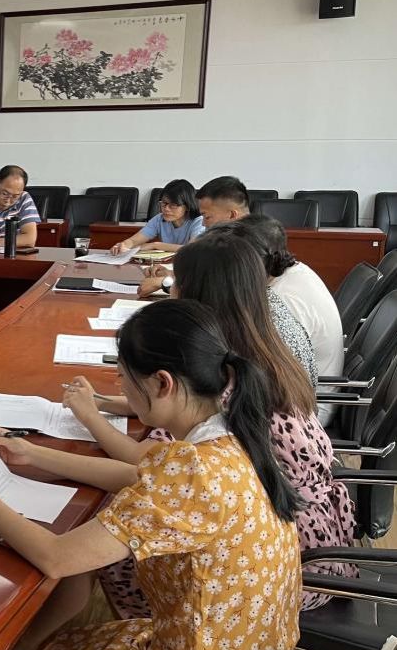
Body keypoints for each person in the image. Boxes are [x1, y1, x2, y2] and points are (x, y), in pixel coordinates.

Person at [0, 300, 302, 650]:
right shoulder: (226, 435)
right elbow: (138, 474)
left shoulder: (194, 471)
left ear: (162, 383)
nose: (119, 389)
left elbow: (58, 557)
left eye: (123, 379)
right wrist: (33, 454)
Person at [54, 232, 352, 615]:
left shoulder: (230, 375)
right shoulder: (258, 337)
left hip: (289, 559)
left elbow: (142, 462)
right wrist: (111, 401)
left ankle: (140, 633)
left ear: (199, 292)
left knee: (115, 527)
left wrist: (91, 418)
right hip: (308, 528)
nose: (171, 289)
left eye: (177, 282)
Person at [225, 215, 345, 381]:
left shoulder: (283, 299)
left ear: (251, 261)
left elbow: (271, 371)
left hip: (314, 392)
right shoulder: (296, 270)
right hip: (300, 383)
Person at [136, 175, 251, 297]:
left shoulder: (249, 244)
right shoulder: (227, 237)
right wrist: (171, 274)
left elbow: (218, 292)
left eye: (207, 217)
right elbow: (205, 275)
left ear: (232, 215)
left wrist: (165, 283)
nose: (203, 223)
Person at [109, 178, 204, 254]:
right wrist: (123, 245)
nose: (166, 209)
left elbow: (191, 249)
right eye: (164, 203)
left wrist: (155, 245)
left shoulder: (200, 222)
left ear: (187, 206)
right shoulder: (159, 219)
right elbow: (134, 241)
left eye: (173, 205)